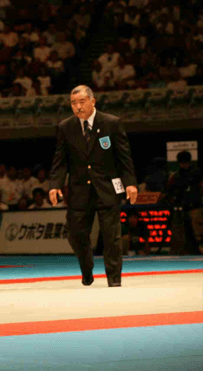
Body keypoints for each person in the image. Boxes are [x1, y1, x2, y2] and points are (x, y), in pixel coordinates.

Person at [49, 85, 138, 287]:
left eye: (82, 102)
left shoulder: (111, 123)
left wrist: (130, 184)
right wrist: (55, 185)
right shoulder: (65, 127)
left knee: (111, 237)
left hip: (107, 188)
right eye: (73, 103)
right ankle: (87, 269)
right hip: (79, 190)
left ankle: (114, 279)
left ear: (92, 101)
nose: (78, 107)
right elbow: (60, 160)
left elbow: (124, 158)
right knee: (76, 234)